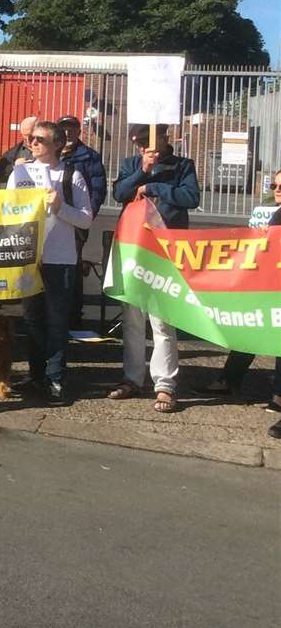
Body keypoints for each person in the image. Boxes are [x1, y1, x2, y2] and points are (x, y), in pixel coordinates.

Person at [108, 123, 199, 413]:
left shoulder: (183, 165)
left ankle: (165, 384)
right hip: (134, 246)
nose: (143, 148)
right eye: (137, 144)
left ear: (164, 137)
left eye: (147, 141)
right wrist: (142, 171)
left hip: (166, 250)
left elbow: (191, 198)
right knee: (133, 319)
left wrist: (155, 187)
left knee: (162, 321)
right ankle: (132, 377)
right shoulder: (130, 164)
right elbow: (120, 192)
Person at [5, 119, 93, 404]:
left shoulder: (71, 176)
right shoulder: (20, 172)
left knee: (56, 321)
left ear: (57, 144)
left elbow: (85, 218)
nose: (33, 143)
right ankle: (35, 375)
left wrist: (60, 207)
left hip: (61, 258)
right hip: (30, 258)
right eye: (31, 139)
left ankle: (55, 379)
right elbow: (6, 212)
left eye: (40, 139)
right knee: (32, 320)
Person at [194, 170, 281, 439]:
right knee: (252, 328)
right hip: (269, 285)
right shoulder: (277, 213)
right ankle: (231, 379)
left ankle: (277, 397)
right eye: (275, 184)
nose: (277, 189)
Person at [57, 113, 106, 327]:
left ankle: (73, 315)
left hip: (76, 221)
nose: (68, 132)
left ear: (79, 131)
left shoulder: (90, 157)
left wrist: (87, 216)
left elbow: (98, 190)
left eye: (72, 128)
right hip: (52, 220)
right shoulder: (51, 154)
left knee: (72, 266)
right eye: (64, 128)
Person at [0, 116, 37, 184]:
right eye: (24, 136)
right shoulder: (12, 153)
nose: (28, 141)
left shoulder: (51, 151)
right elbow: (0, 176)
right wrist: (14, 166)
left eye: (31, 136)